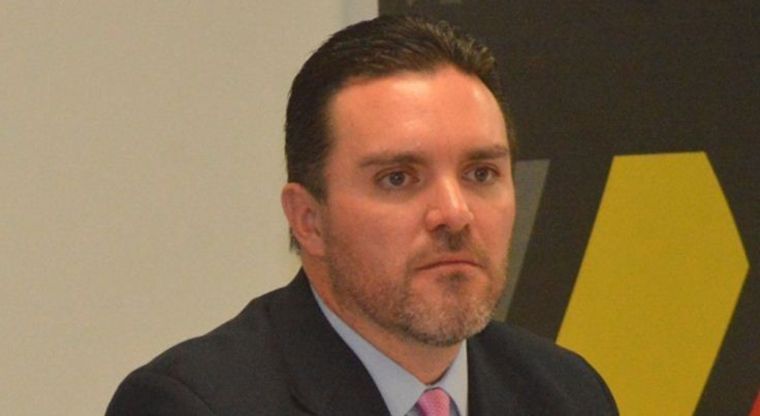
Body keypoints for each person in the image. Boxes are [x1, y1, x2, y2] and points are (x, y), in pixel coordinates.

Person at [106, 15, 618, 415]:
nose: (455, 213)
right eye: (398, 178)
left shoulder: (566, 394)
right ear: (309, 220)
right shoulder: (195, 405)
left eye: (480, 173)